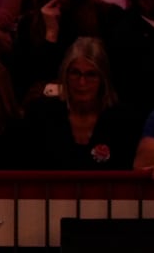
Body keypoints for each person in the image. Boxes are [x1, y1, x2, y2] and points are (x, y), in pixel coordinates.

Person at [22, 36, 137, 169]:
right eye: (75, 73)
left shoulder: (122, 120)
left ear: (103, 79)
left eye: (91, 75)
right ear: (65, 75)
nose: (82, 82)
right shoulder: (41, 114)